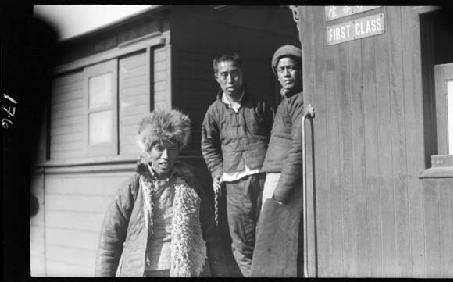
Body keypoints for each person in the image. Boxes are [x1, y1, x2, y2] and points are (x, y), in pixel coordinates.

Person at [95, 109, 224, 277]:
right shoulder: (132, 188)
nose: (165, 156)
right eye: (159, 148)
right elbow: (109, 243)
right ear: (148, 150)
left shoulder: (191, 185)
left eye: (172, 149)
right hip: (142, 271)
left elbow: (212, 237)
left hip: (183, 269)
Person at [201, 53, 274, 277]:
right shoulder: (214, 112)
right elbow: (208, 145)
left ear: (241, 74)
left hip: (263, 178)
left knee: (268, 233)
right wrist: (216, 171)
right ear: (217, 78)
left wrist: (273, 168)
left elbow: (276, 135)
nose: (230, 79)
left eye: (235, 73)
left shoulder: (260, 103)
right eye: (225, 75)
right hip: (234, 184)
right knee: (241, 239)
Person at [252, 45, 304, 277]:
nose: (286, 73)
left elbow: (298, 148)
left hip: (283, 179)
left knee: (275, 240)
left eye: (292, 68)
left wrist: (282, 189)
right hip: (274, 176)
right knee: (270, 238)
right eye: (282, 69)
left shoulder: (299, 101)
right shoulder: (287, 101)